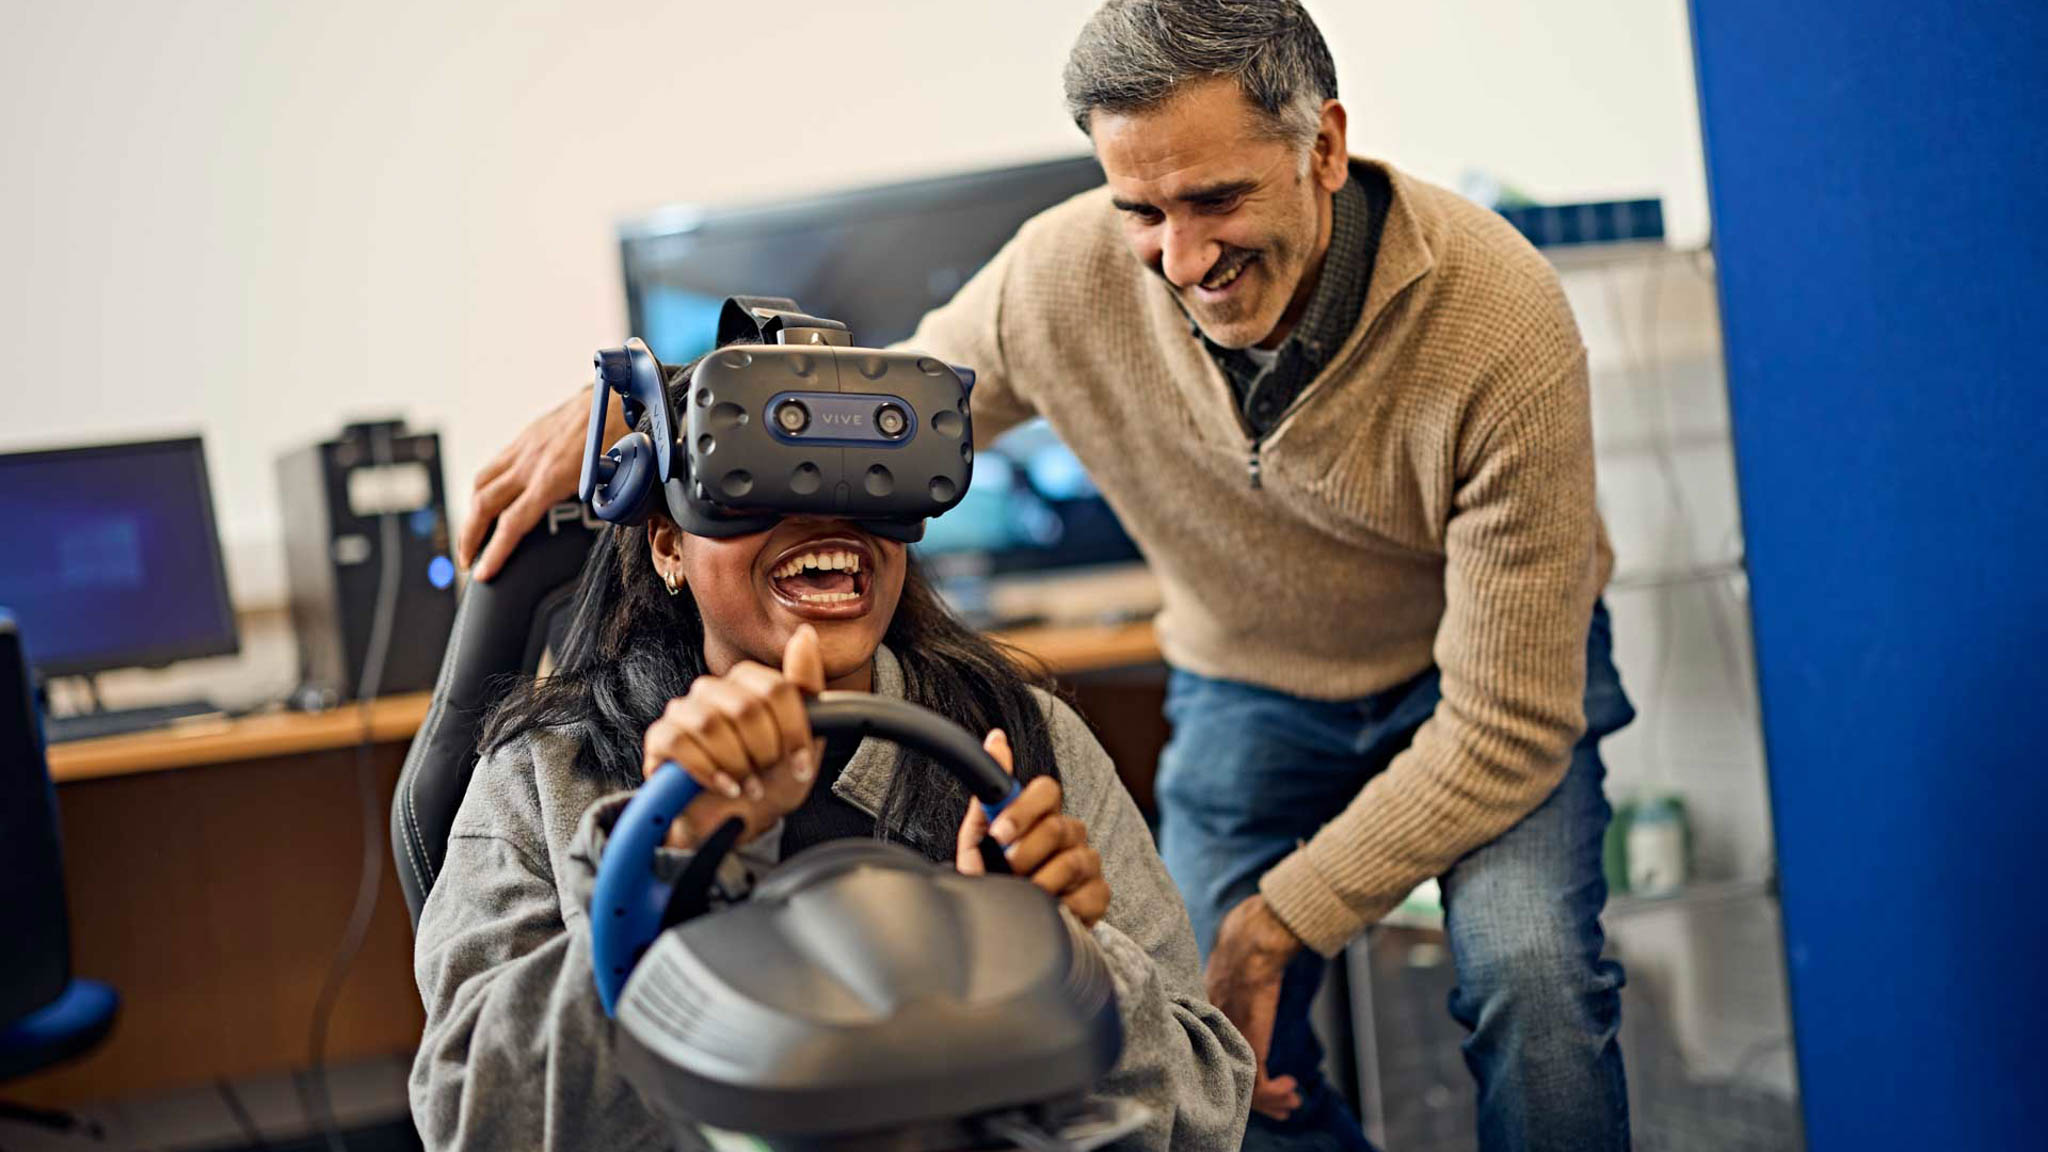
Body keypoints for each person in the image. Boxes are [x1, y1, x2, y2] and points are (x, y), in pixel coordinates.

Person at [457, 3, 1635, 1149]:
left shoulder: (1499, 324)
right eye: (1141, 211)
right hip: (1252, 673)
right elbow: (873, 409)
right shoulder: (545, 783)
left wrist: (1221, 934)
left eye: (1216, 197)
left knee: (1529, 984)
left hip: (1482, 689)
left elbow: (1501, 726)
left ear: (1322, 145)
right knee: (1256, 1060)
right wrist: (651, 411)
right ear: (665, 539)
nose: (1181, 258)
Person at [408, 345, 1256, 1151]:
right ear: (668, 543)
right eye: (758, 479)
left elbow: (1205, 1118)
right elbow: (475, 1123)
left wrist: (1066, 960)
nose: (826, 515)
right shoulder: (546, 776)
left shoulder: (1025, 745)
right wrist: (664, 872)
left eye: (864, 479)